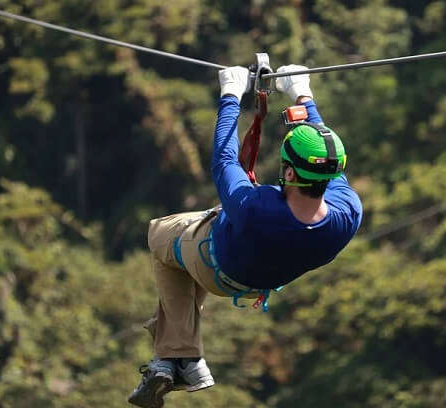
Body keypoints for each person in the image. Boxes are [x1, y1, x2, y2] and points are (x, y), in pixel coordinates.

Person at [127, 65, 363, 408]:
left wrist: (230, 96)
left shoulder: (255, 207)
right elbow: (325, 157)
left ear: (288, 172)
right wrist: (302, 95)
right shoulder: (347, 214)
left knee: (160, 234)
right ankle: (176, 360)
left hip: (216, 265)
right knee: (188, 250)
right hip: (258, 279)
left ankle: (181, 356)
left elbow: (224, 160)